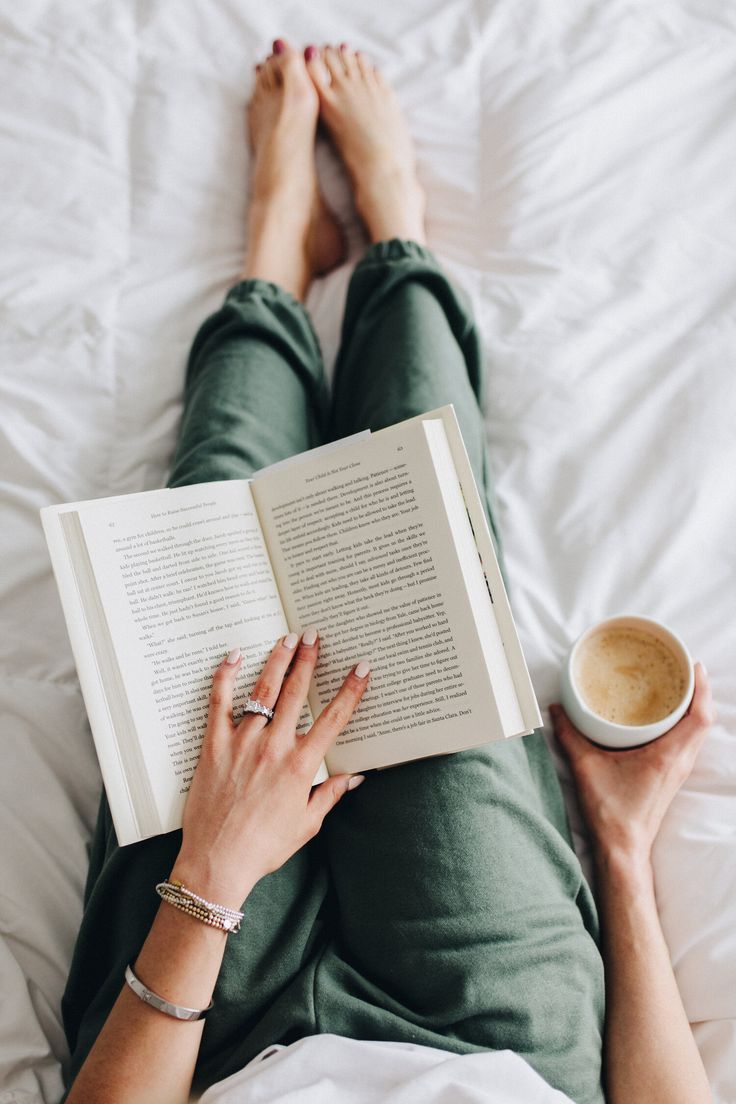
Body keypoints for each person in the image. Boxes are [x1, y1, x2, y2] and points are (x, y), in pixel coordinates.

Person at [62, 39, 716, 1104]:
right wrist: (622, 847)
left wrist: (214, 875)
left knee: (207, 538)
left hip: (198, 1047)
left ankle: (273, 251)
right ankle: (394, 236)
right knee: (421, 517)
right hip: (487, 1033)